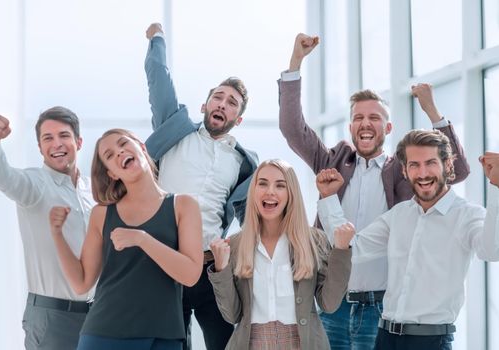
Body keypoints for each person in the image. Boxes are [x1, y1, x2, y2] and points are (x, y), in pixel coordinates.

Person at [278, 33, 470, 349]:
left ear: (388, 128)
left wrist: (433, 112)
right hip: (333, 304)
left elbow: (457, 171)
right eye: (358, 118)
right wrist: (296, 62)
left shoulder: (405, 171)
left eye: (374, 118)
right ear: (351, 127)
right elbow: (292, 129)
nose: (365, 124)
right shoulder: (333, 160)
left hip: (382, 308)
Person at [316, 130, 499, 350]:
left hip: (430, 342)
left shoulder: (468, 215)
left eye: (430, 163)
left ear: (448, 165)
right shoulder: (399, 214)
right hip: (385, 338)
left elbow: (491, 250)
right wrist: (328, 197)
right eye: (414, 165)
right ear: (404, 170)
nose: (422, 173)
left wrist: (497, 187)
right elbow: (352, 247)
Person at [144, 23, 258, 350]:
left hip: (213, 270)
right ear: (204, 106)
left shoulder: (244, 162)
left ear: (239, 118)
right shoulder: (175, 131)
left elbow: (252, 215)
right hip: (168, 266)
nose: (223, 104)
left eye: (232, 102)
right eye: (217, 98)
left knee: (226, 344)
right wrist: (157, 39)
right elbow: (158, 79)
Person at [49, 128, 203, 349]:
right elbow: (82, 283)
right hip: (103, 335)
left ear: (141, 147)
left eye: (123, 144)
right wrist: (56, 234)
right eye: (110, 156)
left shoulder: (183, 206)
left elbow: (190, 275)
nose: (119, 153)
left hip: (162, 336)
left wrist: (143, 239)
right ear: (112, 173)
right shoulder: (101, 214)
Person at [208, 159, 352, 349]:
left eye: (280, 185)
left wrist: (341, 251)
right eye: (263, 183)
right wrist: (221, 268)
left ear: (291, 193)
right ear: (254, 191)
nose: (270, 191)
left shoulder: (313, 240)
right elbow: (232, 315)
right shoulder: (236, 244)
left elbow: (329, 304)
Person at [0, 108, 94, 350]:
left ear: (79, 141)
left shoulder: (94, 191)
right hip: (52, 317)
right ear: (40, 148)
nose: (57, 144)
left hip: (98, 316)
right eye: (48, 138)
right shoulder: (34, 185)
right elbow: (3, 177)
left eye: (64, 135)